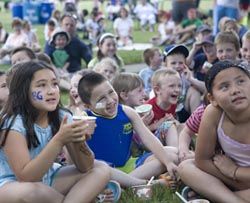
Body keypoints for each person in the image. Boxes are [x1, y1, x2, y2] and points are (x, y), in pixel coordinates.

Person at [0, 60, 111, 203]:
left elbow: (86, 166)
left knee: (101, 169)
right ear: (23, 90)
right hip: (10, 186)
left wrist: (78, 141)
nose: (51, 90)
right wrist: (59, 140)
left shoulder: (61, 117)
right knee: (30, 191)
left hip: (47, 178)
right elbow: (25, 177)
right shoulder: (13, 124)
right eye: (41, 85)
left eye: (54, 84)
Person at [77, 71, 179, 180]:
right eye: (102, 99)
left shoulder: (127, 112)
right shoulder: (85, 120)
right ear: (88, 106)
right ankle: (130, 182)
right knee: (101, 173)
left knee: (172, 154)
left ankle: (126, 181)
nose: (110, 100)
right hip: (104, 171)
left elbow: (148, 138)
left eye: (111, 92)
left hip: (131, 165)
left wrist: (168, 162)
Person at [178, 60, 250, 203]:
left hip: (233, 173)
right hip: (229, 178)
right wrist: (233, 178)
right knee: (186, 167)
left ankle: (217, 196)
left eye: (241, 81)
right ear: (212, 99)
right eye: (224, 87)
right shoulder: (213, 113)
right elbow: (202, 160)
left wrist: (235, 171)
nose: (235, 90)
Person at [162, 44, 202, 122]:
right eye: (173, 63)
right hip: (166, 115)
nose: (177, 66)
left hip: (182, 111)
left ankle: (196, 122)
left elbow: (206, 89)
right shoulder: (160, 79)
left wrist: (191, 79)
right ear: (165, 66)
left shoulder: (185, 76)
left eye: (181, 63)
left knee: (194, 90)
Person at [178, 92, 209, 163]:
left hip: (228, 162)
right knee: (170, 153)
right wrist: (184, 150)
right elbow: (186, 132)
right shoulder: (202, 112)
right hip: (206, 157)